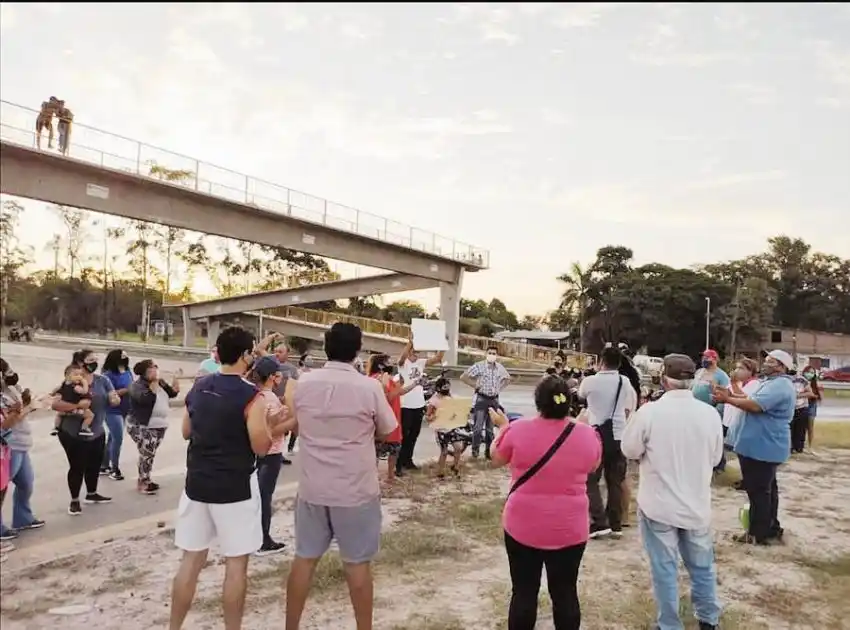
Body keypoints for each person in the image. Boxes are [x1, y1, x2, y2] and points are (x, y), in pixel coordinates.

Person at [170, 326, 285, 630]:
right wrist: (270, 424)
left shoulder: (199, 387)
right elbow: (261, 447)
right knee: (236, 566)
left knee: (190, 563)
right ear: (247, 356)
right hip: (235, 490)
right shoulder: (253, 396)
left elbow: (185, 432)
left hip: (196, 485)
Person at [286, 323, 397, 630]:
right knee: (357, 565)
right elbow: (387, 430)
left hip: (312, 487)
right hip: (355, 490)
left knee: (304, 559)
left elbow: (297, 422)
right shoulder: (368, 387)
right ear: (357, 350)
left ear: (327, 346)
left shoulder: (304, 382)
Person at [489, 375, 601, 630]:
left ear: (537, 402)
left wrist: (503, 426)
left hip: (522, 526)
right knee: (565, 593)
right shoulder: (586, 434)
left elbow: (495, 457)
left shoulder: (518, 430)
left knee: (524, 592)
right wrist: (583, 427)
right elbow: (594, 464)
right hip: (570, 528)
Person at [621, 354, 724, 630]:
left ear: (664, 378)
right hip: (696, 504)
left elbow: (629, 450)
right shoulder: (709, 414)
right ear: (691, 381)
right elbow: (716, 458)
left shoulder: (650, 412)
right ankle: (708, 619)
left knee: (664, 569)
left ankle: (669, 624)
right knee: (702, 567)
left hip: (659, 506)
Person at [715, 349, 796, 546]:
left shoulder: (780, 386)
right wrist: (731, 393)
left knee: (758, 492)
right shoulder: (771, 383)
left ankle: (758, 533)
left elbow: (755, 406)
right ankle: (770, 527)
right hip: (759, 445)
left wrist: (727, 400)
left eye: (770, 361)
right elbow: (748, 400)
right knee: (766, 490)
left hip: (763, 446)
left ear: (781, 366)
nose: (765, 363)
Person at [577, 346, 636, 539]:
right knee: (615, 481)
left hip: (595, 435)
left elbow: (581, 396)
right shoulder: (624, 381)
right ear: (619, 363)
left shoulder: (590, 381)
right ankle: (616, 524)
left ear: (601, 362)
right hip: (619, 435)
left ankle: (598, 521)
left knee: (591, 479)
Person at [51, 349, 119, 515]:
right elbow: (55, 404)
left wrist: (115, 399)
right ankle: (74, 501)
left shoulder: (103, 380)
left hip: (96, 431)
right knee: (77, 466)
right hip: (72, 432)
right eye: (90, 360)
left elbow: (113, 395)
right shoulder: (71, 382)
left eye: (96, 359)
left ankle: (92, 493)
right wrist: (77, 407)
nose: (94, 363)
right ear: (81, 363)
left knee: (95, 464)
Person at [248, 355, 298, 556]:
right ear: (271, 377)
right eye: (278, 374)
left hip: (258, 453)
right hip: (271, 453)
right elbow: (272, 429)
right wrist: (294, 419)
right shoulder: (268, 398)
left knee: (257, 496)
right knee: (264, 497)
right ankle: (263, 540)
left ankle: (256, 536)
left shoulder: (255, 395)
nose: (281, 377)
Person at [0, 358, 45, 543]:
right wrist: (25, 409)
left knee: (26, 483)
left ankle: (23, 518)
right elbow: (8, 421)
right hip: (10, 444)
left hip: (22, 442)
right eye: (6, 371)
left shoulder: (11, 388)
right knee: (2, 488)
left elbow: (20, 409)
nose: (10, 374)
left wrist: (27, 403)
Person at [127, 360, 180, 495]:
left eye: (156, 367)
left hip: (159, 424)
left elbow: (172, 393)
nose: (155, 369)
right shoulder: (137, 386)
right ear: (145, 372)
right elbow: (146, 399)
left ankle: (147, 478)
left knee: (150, 453)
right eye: (152, 368)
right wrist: (154, 385)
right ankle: (143, 481)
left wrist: (175, 380)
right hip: (142, 425)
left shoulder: (160, 382)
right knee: (146, 453)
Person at [396, 339, 444, 473]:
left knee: (414, 434)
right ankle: (399, 463)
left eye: (418, 351)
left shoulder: (420, 363)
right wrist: (411, 341)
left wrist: (443, 344)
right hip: (405, 404)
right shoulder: (403, 363)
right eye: (414, 351)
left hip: (418, 404)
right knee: (404, 435)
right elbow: (402, 357)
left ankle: (408, 460)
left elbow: (438, 358)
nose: (416, 354)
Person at [367, 353, 417, 483]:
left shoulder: (387, 379)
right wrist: (396, 383)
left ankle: (390, 475)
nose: (391, 364)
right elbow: (388, 397)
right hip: (382, 420)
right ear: (380, 365)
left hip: (394, 418)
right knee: (377, 451)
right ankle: (373, 478)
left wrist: (414, 384)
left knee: (395, 448)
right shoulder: (375, 379)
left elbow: (399, 392)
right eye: (388, 361)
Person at [460, 345, 512, 460]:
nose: (492, 355)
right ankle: (475, 451)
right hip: (482, 398)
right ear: (486, 354)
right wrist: (474, 385)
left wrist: (500, 388)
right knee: (478, 427)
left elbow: (508, 379)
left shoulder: (499, 368)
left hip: (494, 399)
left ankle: (488, 452)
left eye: (494, 353)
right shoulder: (479, 366)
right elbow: (463, 376)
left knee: (489, 429)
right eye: (490, 353)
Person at [425, 376, 472, 480]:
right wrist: (434, 417)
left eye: (448, 387)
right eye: (445, 388)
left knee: (458, 448)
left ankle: (455, 467)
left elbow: (458, 410)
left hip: (452, 427)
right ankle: (440, 471)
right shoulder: (434, 401)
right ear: (439, 388)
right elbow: (428, 417)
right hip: (441, 429)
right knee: (444, 451)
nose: (447, 390)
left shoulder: (452, 398)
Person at [100, 349, 133, 480]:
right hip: (112, 410)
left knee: (112, 438)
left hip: (125, 408)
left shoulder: (127, 371)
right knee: (118, 438)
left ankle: (103, 465)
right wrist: (126, 390)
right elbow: (109, 394)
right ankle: (115, 468)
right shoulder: (108, 375)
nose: (124, 359)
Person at [54, 364, 95, 437]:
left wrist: (53, 393)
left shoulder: (64, 384)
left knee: (58, 415)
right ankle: (84, 429)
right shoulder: (76, 387)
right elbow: (85, 391)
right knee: (90, 415)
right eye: (76, 374)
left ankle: (56, 427)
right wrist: (85, 383)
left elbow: (57, 390)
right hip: (75, 410)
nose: (79, 377)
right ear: (67, 376)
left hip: (63, 410)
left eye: (81, 375)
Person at [789, 368, 813, 455]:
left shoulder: (802, 380)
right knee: (789, 430)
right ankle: (789, 448)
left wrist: (797, 396)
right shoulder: (783, 380)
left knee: (800, 430)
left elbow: (810, 393)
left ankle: (799, 448)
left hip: (801, 408)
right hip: (789, 408)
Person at [801, 365, 822, 451]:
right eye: (808, 372)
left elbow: (819, 397)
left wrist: (813, 395)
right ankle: (800, 445)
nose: (810, 374)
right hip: (801, 405)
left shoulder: (815, 383)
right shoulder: (800, 381)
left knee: (810, 427)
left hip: (811, 406)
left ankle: (810, 446)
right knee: (800, 427)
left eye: (812, 373)